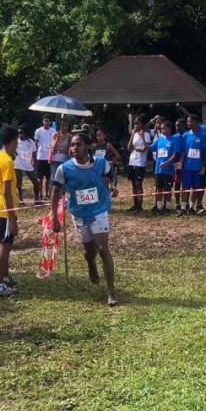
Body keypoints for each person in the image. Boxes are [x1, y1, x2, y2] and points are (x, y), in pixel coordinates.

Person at [50, 130, 118, 306]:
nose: (74, 148)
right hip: (79, 213)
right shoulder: (64, 168)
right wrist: (55, 218)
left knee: (103, 249)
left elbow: (111, 174)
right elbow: (55, 192)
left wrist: (113, 186)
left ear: (88, 146)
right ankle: (90, 263)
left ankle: (111, 292)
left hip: (99, 210)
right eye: (72, 145)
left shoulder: (100, 162)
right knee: (90, 251)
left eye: (78, 144)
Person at [0, 126, 20, 298]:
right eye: (16, 143)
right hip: (5, 209)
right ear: (12, 141)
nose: (17, 146)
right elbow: (7, 192)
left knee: (5, 245)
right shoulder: (7, 161)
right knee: (5, 247)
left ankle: (5, 277)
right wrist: (12, 219)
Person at [180, 114, 206, 215]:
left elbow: (204, 152)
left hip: (197, 167)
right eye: (187, 121)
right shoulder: (185, 135)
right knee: (185, 187)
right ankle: (183, 208)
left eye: (190, 121)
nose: (188, 123)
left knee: (195, 188)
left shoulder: (203, 136)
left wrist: (203, 166)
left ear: (196, 123)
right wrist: (181, 162)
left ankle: (192, 207)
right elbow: (183, 151)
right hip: (187, 167)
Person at [151, 120, 178, 214]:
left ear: (169, 129)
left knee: (167, 189)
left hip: (168, 170)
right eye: (161, 129)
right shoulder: (159, 140)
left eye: (163, 128)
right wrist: (142, 137)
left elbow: (174, 155)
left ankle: (167, 207)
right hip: (158, 170)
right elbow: (150, 147)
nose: (162, 130)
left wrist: (166, 163)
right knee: (159, 188)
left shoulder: (174, 140)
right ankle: (159, 207)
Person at [126, 115, 151, 212]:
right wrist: (132, 135)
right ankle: (135, 204)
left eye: (138, 123)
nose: (136, 125)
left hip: (140, 162)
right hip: (132, 161)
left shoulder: (146, 134)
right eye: (135, 123)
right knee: (133, 184)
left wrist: (142, 137)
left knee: (138, 184)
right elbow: (129, 148)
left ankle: (140, 206)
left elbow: (145, 149)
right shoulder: (134, 134)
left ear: (143, 124)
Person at [14, 125, 40, 204]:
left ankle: (37, 199)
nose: (20, 135)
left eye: (22, 133)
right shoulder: (15, 141)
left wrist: (35, 161)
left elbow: (34, 153)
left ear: (25, 133)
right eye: (18, 133)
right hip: (18, 164)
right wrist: (15, 155)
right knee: (18, 184)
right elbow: (12, 150)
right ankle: (21, 200)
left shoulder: (31, 142)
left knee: (36, 182)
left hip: (28, 165)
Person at [34, 116, 55, 200]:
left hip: (49, 157)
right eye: (45, 121)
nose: (46, 122)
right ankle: (40, 194)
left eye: (48, 121)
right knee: (40, 178)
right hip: (40, 157)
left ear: (50, 122)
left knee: (48, 178)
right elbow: (36, 143)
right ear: (42, 122)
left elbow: (55, 142)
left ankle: (47, 194)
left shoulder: (53, 131)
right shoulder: (38, 131)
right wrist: (35, 156)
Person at [50, 118, 72, 187]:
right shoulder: (55, 134)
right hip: (55, 160)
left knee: (64, 179)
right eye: (62, 124)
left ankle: (61, 193)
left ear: (67, 126)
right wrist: (57, 139)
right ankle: (52, 193)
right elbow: (53, 149)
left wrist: (59, 150)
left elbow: (68, 150)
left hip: (65, 160)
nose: (63, 126)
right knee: (53, 178)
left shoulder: (70, 136)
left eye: (65, 125)